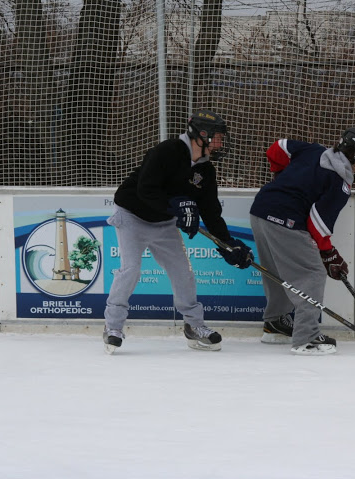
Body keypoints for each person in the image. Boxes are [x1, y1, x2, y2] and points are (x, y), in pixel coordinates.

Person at [103, 110, 254, 353]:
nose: (220, 144)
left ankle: (194, 326)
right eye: (217, 138)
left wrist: (228, 244)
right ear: (201, 135)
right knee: (130, 270)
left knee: (183, 273)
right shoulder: (167, 151)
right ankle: (113, 327)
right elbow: (146, 189)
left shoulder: (206, 171)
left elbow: (211, 212)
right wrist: (175, 205)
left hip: (164, 224)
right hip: (132, 216)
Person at [249, 127, 355, 355]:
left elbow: (276, 149)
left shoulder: (314, 150)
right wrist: (329, 255)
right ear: (353, 154)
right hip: (285, 219)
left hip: (260, 210)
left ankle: (276, 324)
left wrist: (280, 177)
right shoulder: (339, 183)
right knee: (312, 273)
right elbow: (317, 226)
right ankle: (306, 337)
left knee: (278, 270)